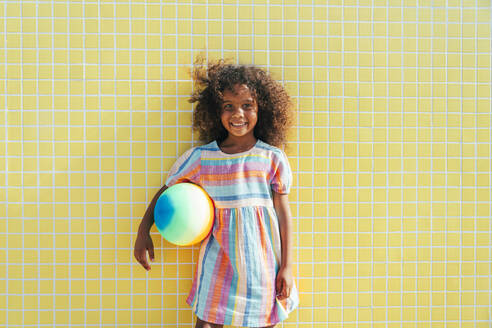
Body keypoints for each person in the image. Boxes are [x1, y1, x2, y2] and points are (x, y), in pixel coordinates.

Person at [134, 59, 299, 328]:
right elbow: (167, 190)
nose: (238, 114)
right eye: (228, 106)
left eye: (247, 105)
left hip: (263, 264)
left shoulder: (271, 158)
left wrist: (287, 267)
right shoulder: (202, 158)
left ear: (262, 109)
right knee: (207, 322)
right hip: (218, 260)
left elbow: (283, 215)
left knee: (264, 320)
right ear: (216, 111)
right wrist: (143, 231)